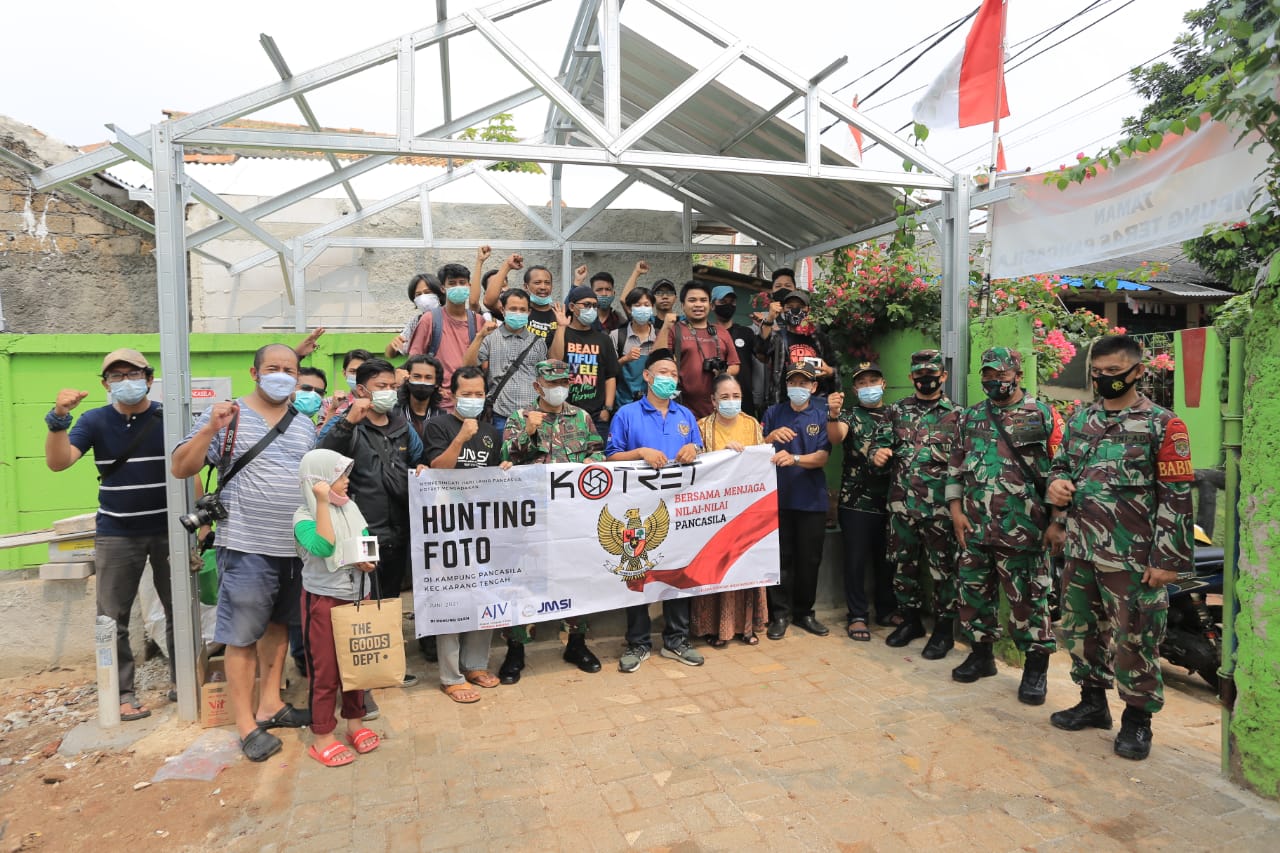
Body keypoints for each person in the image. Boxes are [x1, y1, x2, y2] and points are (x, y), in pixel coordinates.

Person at [1045, 334, 1193, 761]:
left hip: (1133, 558)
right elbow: (1061, 468)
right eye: (1098, 372)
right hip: (1081, 551)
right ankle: (1093, 703)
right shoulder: (1079, 420)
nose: (1105, 379)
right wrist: (1056, 491)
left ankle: (1137, 719)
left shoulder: (1163, 425)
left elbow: (1178, 498)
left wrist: (1167, 561)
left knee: (1136, 639)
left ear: (1138, 372)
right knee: (1080, 632)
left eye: (1114, 372)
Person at [172, 344, 317, 762]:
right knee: (240, 636)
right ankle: (246, 725)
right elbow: (181, 467)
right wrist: (207, 431)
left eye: (289, 369)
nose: (282, 375)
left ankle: (271, 703)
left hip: (294, 547)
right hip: (247, 546)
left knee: (278, 629)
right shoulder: (227, 416)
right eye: (273, 368)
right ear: (254, 373)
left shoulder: (304, 424)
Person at [44, 348, 175, 721]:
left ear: (149, 379)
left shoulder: (170, 418)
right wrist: (58, 420)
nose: (126, 382)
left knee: (180, 609)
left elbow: (190, 467)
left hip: (169, 531)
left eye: (132, 374)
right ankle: (121, 694)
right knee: (111, 618)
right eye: (116, 377)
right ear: (105, 385)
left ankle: (185, 681)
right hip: (117, 533)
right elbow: (58, 462)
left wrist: (198, 525)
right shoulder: (94, 421)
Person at [946, 347, 1064, 700]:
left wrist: (1058, 520)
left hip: (1025, 530)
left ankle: (1035, 670)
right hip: (975, 528)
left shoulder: (1043, 415)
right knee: (973, 596)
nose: (993, 381)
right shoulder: (971, 417)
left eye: (1000, 374)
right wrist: (956, 509)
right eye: (987, 375)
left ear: (1017, 375)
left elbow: (1062, 472)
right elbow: (955, 465)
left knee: (1029, 601)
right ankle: (981, 657)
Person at [497, 359, 607, 682]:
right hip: (531, 518)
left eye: (563, 383)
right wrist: (530, 430)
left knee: (575, 577)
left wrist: (592, 459)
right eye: (552, 383)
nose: (558, 389)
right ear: (538, 387)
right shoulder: (519, 417)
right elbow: (507, 458)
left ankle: (576, 643)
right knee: (524, 582)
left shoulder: (582, 417)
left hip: (571, 518)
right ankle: (516, 650)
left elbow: (600, 452)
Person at [318, 358, 426, 687]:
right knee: (360, 601)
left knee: (389, 600)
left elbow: (420, 459)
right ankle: (356, 675)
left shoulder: (401, 425)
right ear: (362, 390)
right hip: (360, 531)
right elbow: (322, 460)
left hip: (398, 529)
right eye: (382, 387)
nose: (389, 393)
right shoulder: (344, 424)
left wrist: (421, 471)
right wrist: (348, 422)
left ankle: (387, 664)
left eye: (393, 386)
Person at [606, 349, 705, 672]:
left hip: (678, 509)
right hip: (637, 510)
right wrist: (640, 452)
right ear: (647, 376)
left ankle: (676, 640)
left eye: (674, 375)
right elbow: (611, 458)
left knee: (678, 571)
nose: (668, 379)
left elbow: (702, 454)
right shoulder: (627, 414)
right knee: (638, 573)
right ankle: (638, 642)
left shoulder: (685, 415)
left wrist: (695, 447)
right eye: (662, 372)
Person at [422, 366, 507, 703]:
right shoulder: (438, 426)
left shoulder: (489, 431)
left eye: (478, 394)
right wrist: (459, 438)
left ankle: (475, 664)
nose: (473, 399)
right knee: (450, 598)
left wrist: (504, 471)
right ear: (452, 394)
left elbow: (492, 473)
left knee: (482, 594)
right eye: (466, 393)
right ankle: (450, 675)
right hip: (447, 527)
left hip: (482, 526)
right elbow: (437, 470)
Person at [294, 449, 380, 767]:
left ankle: (354, 724)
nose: (346, 482)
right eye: (339, 477)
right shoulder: (303, 517)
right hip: (324, 601)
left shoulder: (350, 508)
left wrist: (368, 562)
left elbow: (365, 538)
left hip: (358, 597)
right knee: (325, 671)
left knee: (357, 668)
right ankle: (323, 736)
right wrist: (321, 502)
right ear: (319, 481)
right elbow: (324, 546)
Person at [872, 349, 960, 654]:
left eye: (931, 376)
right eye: (920, 376)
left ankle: (944, 630)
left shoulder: (957, 415)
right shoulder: (896, 411)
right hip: (901, 506)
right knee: (903, 566)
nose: (926, 381)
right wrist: (877, 453)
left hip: (939, 511)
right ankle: (910, 620)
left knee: (942, 570)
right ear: (911, 378)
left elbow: (963, 465)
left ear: (943, 376)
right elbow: (879, 444)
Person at [690, 374, 770, 647]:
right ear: (713, 401)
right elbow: (696, 469)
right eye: (724, 397)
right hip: (714, 512)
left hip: (747, 509)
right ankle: (715, 628)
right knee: (716, 567)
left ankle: (747, 627)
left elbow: (761, 466)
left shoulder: (751, 425)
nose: (731, 402)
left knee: (746, 567)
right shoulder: (701, 427)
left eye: (736, 396)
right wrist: (722, 455)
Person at [761, 362, 832, 640]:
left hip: (810, 500)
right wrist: (769, 437)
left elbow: (823, 457)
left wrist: (795, 458)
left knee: (809, 560)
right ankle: (779, 614)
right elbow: (758, 449)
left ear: (814, 387)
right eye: (793, 383)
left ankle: (805, 612)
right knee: (779, 560)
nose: (798, 388)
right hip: (776, 500)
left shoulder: (822, 413)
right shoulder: (774, 412)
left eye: (804, 383)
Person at [826, 361, 894, 642]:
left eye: (873, 381)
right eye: (862, 383)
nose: (868, 387)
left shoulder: (896, 414)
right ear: (855, 389)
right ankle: (857, 615)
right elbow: (836, 437)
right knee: (855, 561)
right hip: (856, 502)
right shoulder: (850, 415)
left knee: (887, 560)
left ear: (883, 384)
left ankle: (887, 611)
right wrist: (832, 414)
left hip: (891, 501)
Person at [465, 288, 548, 434]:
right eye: (513, 309)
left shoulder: (538, 342)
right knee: (502, 455)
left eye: (522, 309)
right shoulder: (490, 338)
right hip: (500, 415)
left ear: (529, 312)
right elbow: (467, 367)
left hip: (532, 415)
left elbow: (544, 378)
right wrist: (479, 336)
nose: (518, 313)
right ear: (503, 310)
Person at [406, 262, 482, 412]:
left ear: (469, 286)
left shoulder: (479, 321)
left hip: (471, 402)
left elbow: (484, 364)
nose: (458, 287)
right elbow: (414, 360)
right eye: (452, 283)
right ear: (442, 288)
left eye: (462, 283)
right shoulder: (430, 319)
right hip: (439, 403)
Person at [659, 280, 740, 419]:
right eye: (692, 300)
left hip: (717, 407)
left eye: (703, 300)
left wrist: (723, 372)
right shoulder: (675, 330)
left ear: (710, 304)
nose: (698, 304)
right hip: (683, 407)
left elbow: (735, 365)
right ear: (683, 305)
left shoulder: (721, 332)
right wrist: (665, 327)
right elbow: (657, 358)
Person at [549, 286, 621, 438]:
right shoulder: (560, 334)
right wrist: (561, 327)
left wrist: (607, 409)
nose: (591, 309)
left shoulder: (603, 339)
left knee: (596, 458)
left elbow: (610, 376)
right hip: (563, 413)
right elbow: (554, 362)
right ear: (572, 307)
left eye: (595, 306)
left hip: (596, 417)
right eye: (586, 305)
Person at [756, 288, 839, 406]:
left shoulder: (821, 339)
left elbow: (836, 370)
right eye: (790, 307)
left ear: (808, 309)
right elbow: (760, 352)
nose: (795, 310)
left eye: (800, 307)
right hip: (784, 403)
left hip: (816, 405)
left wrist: (829, 371)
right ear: (783, 310)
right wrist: (770, 318)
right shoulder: (778, 338)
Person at [710, 285, 760, 418]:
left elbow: (763, 356)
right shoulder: (706, 333)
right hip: (715, 398)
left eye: (731, 302)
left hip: (743, 398)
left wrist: (766, 324)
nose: (728, 305)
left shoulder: (746, 332)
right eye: (722, 302)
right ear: (712, 305)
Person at [484, 256, 558, 343]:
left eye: (547, 283)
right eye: (537, 283)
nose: (543, 287)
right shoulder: (517, 309)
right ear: (526, 286)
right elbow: (489, 301)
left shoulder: (559, 314)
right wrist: (507, 266)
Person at [613, 287, 659, 405]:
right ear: (629, 308)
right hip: (623, 404)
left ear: (652, 307)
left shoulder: (660, 336)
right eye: (637, 305)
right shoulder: (617, 335)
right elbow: (608, 371)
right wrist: (625, 359)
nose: (642, 309)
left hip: (653, 404)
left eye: (646, 305)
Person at [385, 273, 442, 358]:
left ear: (439, 293)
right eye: (418, 294)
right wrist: (392, 345)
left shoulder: (449, 317)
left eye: (427, 292)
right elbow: (390, 354)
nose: (423, 298)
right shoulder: (416, 321)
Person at [317, 348, 372, 432]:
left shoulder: (382, 402)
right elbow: (320, 439)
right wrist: (332, 410)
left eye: (364, 371)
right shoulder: (329, 403)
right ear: (344, 373)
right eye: (353, 371)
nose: (358, 376)